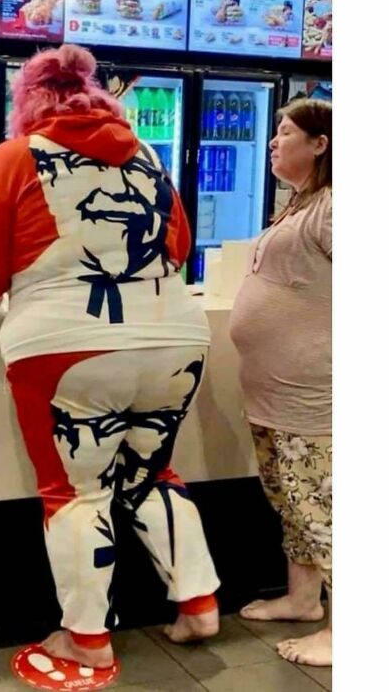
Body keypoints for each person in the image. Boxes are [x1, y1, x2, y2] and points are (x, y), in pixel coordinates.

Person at [0, 45, 220, 669]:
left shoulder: (14, 156)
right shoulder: (149, 155)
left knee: (75, 492)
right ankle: (200, 606)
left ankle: (86, 641)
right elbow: (178, 243)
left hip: (65, 345)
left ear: (28, 106)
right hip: (177, 338)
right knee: (151, 475)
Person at [229, 98, 332, 667]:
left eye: (286, 132)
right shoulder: (300, 204)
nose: (273, 142)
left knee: (324, 507)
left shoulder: (335, 206)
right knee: (292, 501)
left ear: (319, 144)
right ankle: (302, 599)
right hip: (273, 394)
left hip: (314, 397)